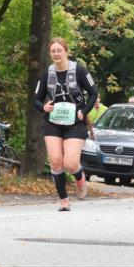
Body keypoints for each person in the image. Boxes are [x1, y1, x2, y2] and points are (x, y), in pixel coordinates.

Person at [33, 37, 98, 212]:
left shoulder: (79, 71)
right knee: (55, 161)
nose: (56, 54)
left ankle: (80, 178)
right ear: (50, 54)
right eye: (53, 51)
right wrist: (43, 107)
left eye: (59, 50)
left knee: (69, 163)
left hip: (75, 122)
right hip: (53, 122)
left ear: (66, 52)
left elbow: (93, 93)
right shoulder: (47, 73)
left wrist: (83, 112)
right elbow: (36, 100)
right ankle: (64, 200)